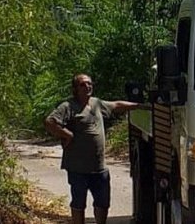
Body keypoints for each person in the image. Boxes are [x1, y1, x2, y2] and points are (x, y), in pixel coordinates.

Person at [44, 73, 145, 224]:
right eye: (82, 84)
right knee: (79, 203)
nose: (87, 86)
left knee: (103, 203)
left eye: (89, 83)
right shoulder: (68, 106)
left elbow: (116, 105)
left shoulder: (96, 103)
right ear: (75, 89)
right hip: (78, 168)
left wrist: (139, 106)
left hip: (99, 167)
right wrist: (67, 135)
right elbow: (50, 122)